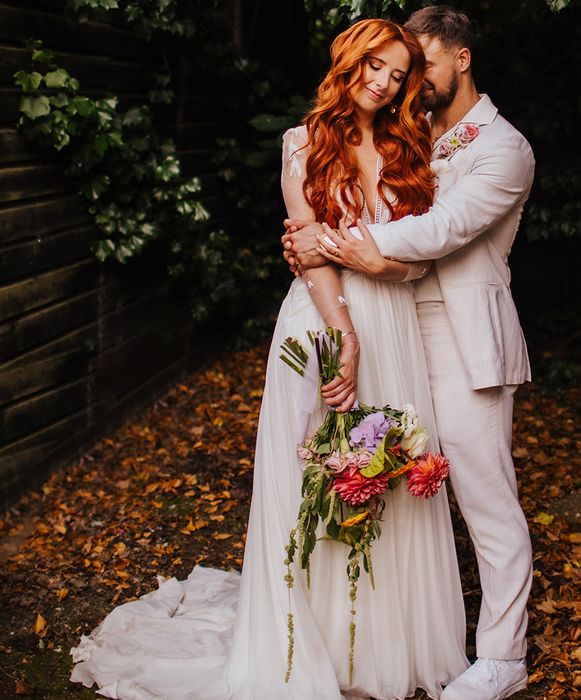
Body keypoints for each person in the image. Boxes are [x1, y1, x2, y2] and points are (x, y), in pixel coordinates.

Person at [69, 19, 468, 700]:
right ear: (350, 59)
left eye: (398, 73)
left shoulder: (408, 147)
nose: (384, 81)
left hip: (395, 322)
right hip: (323, 324)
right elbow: (310, 262)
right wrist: (345, 333)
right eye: (376, 64)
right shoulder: (303, 144)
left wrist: (367, 256)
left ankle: (376, 651)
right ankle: (308, 645)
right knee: (316, 475)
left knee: (388, 476)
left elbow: (413, 264)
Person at [283, 6, 535, 699]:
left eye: (423, 64)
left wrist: (328, 241)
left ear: (462, 58)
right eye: (403, 67)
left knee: (486, 498)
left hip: (463, 343)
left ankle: (503, 658)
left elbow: (442, 229)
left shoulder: (503, 148)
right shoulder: (411, 132)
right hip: (393, 329)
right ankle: (388, 639)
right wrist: (316, 235)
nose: (410, 80)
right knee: (393, 491)